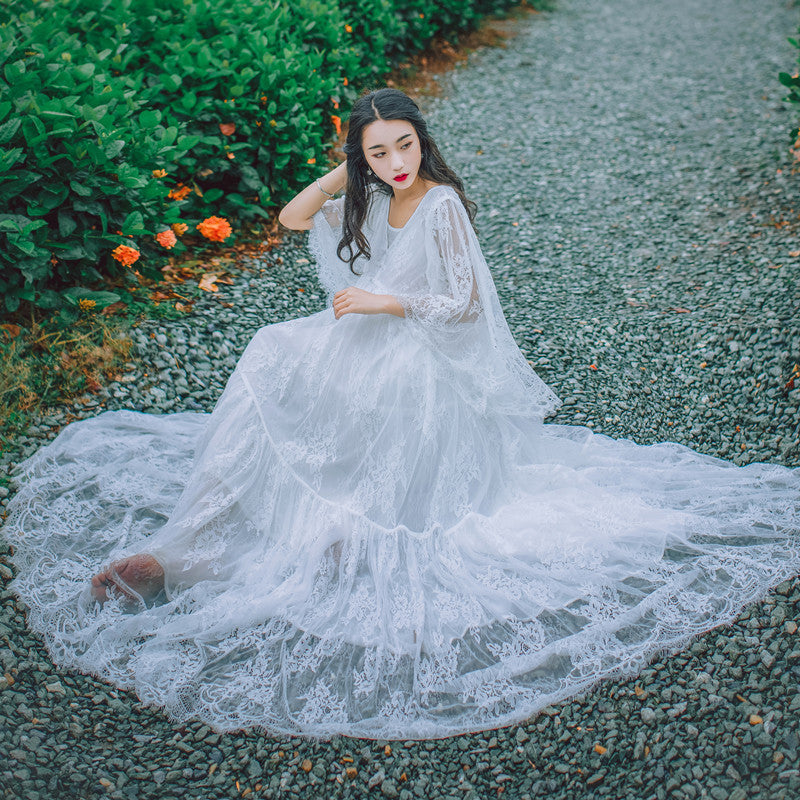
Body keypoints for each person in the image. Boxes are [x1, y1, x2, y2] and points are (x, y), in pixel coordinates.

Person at [2, 87, 799, 741]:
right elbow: (287, 220)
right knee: (269, 357)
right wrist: (343, 176)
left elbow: (462, 305)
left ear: (424, 142)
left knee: (353, 401)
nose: (395, 163)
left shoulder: (442, 203)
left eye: (404, 147)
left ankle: (285, 539)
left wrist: (387, 299)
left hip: (418, 351)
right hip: (361, 335)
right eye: (378, 151)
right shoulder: (368, 189)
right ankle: (185, 545)